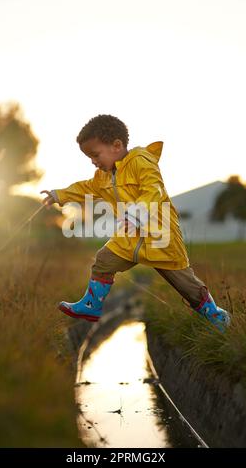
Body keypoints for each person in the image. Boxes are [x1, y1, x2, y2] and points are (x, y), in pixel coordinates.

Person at [41, 114, 231, 332]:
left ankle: (217, 317)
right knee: (104, 260)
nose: (93, 161)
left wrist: (136, 213)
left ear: (116, 145)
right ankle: (91, 305)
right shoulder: (103, 176)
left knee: (186, 285)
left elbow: (154, 190)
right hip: (131, 236)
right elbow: (86, 188)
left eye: (95, 155)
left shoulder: (142, 162)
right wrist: (59, 195)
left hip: (161, 236)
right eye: (89, 158)